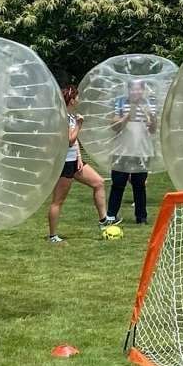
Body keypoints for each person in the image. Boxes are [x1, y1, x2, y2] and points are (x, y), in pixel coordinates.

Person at [46, 84, 107, 242]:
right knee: (58, 201)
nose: (79, 100)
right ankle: (52, 236)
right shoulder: (62, 118)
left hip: (74, 161)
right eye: (77, 97)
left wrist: (79, 157)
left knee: (99, 183)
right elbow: (69, 140)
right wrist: (80, 125)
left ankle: (103, 220)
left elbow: (75, 143)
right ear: (71, 100)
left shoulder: (72, 116)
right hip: (64, 164)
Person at [105, 77, 160, 225]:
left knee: (139, 185)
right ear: (128, 90)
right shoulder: (121, 102)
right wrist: (126, 118)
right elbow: (114, 127)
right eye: (133, 89)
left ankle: (141, 217)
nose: (136, 91)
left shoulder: (149, 104)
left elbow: (153, 130)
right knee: (117, 183)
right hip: (121, 150)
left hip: (142, 151)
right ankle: (111, 216)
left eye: (139, 89)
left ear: (143, 90)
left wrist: (152, 120)